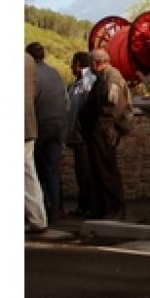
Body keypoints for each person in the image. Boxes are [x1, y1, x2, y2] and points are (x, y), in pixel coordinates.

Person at [79, 47, 129, 220]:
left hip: (105, 132)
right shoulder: (104, 78)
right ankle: (103, 207)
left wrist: (99, 130)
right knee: (100, 169)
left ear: (95, 63)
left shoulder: (111, 78)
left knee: (106, 169)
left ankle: (115, 208)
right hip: (101, 130)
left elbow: (111, 108)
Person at [26, 42, 69, 222]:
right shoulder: (55, 73)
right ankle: (55, 209)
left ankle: (38, 212)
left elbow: (30, 101)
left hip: (39, 125)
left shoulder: (33, 75)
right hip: (58, 125)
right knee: (52, 169)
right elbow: (66, 100)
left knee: (33, 171)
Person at [64, 51, 96, 217]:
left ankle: (88, 206)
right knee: (81, 172)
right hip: (77, 135)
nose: (70, 67)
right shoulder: (77, 83)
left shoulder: (87, 82)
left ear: (77, 64)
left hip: (83, 135)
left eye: (72, 63)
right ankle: (83, 205)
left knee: (85, 172)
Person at [25, 51, 50, 235]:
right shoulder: (28, 60)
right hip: (29, 124)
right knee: (29, 174)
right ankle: (38, 218)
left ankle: (37, 218)